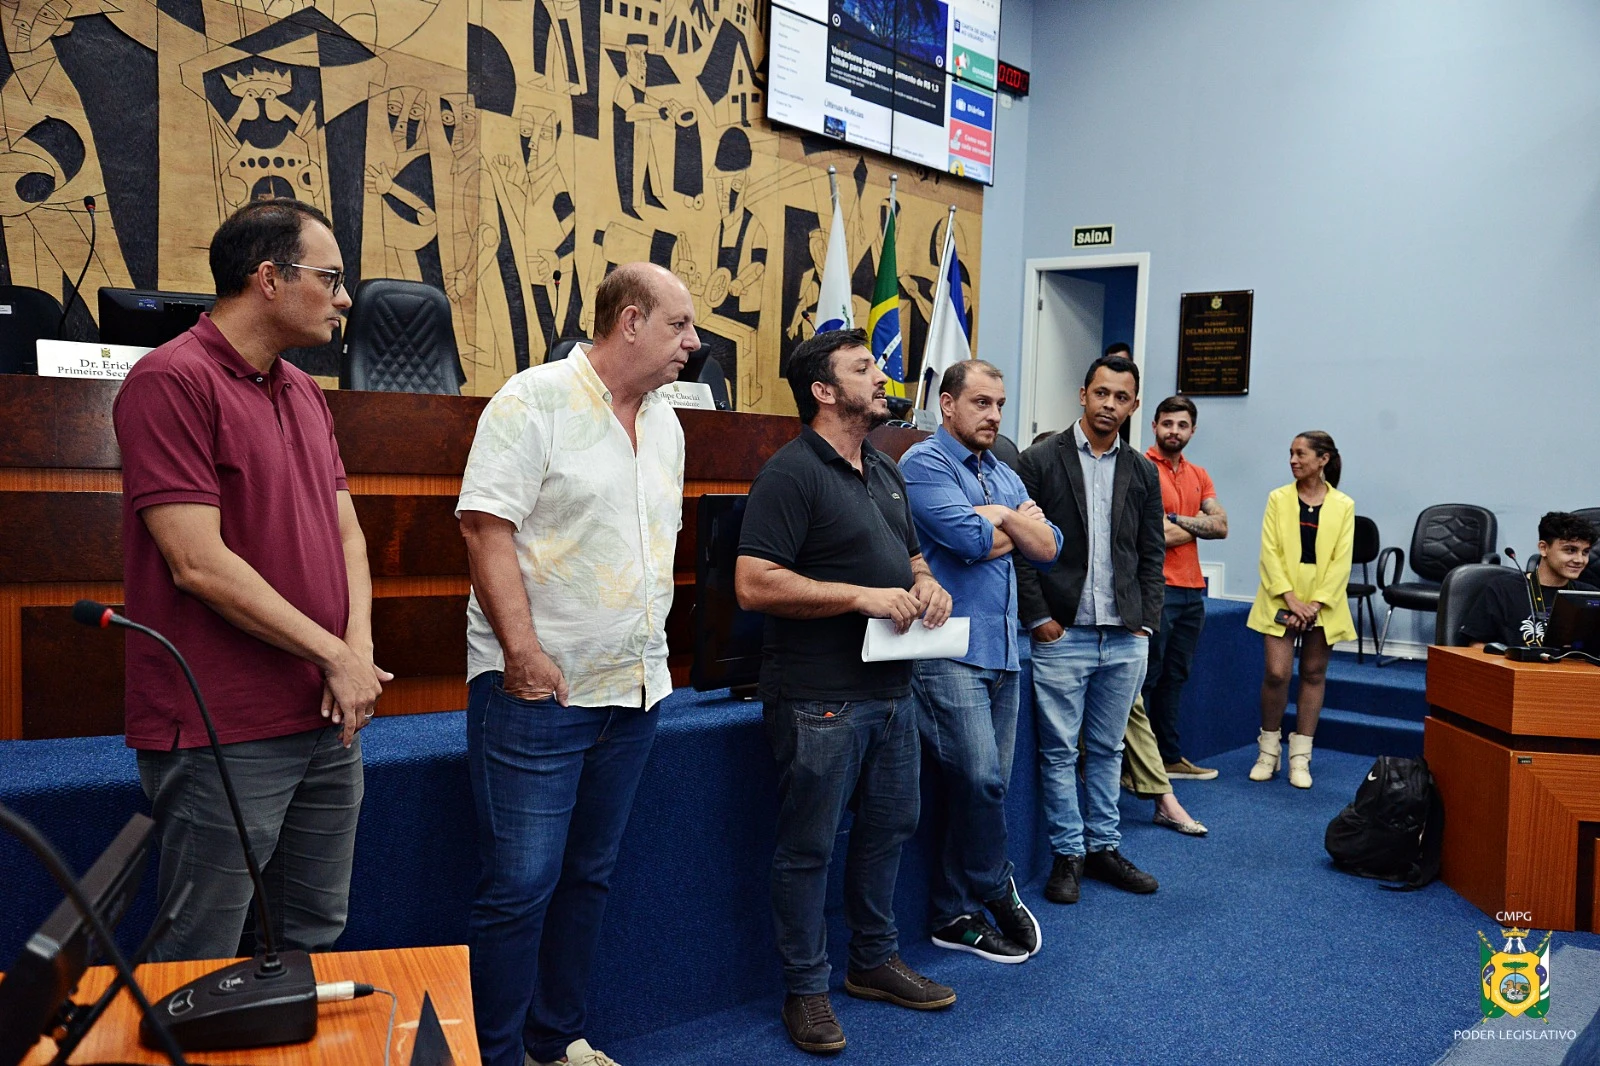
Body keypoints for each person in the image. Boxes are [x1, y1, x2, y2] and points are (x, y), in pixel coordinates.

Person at [112, 199, 386, 961]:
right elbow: (196, 562)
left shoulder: (304, 391)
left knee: (311, 934)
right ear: (269, 278)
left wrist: (356, 653)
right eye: (330, 278)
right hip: (221, 724)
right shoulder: (170, 380)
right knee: (201, 947)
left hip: (325, 713)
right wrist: (335, 654)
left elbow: (347, 534)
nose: (344, 299)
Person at [456, 263, 695, 1066]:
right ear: (629, 322)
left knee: (588, 876)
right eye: (679, 326)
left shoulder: (668, 424)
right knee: (520, 887)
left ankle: (553, 1042)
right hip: (538, 695)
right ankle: (495, 1056)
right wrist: (522, 653)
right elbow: (484, 527)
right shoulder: (533, 400)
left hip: (635, 691)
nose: (693, 343)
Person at [736, 328, 957, 1055]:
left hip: (893, 690)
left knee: (889, 829)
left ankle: (872, 962)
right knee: (808, 849)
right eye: (864, 368)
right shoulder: (790, 473)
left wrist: (926, 584)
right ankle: (806, 989)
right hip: (819, 699)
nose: (881, 376)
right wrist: (861, 597)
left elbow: (913, 557)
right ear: (824, 392)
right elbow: (754, 583)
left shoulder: (885, 468)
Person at [899, 361, 1062, 963]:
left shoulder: (1002, 471)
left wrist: (1000, 518)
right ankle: (996, 884)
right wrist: (1012, 525)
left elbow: (1050, 548)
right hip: (947, 651)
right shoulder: (924, 465)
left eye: (999, 404)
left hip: (1003, 650)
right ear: (947, 404)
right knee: (981, 780)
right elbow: (968, 542)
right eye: (981, 403)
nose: (994, 415)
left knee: (977, 790)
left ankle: (952, 913)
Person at [1016, 353, 1166, 906]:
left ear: (1133, 405)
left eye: (1121, 397)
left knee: (1107, 748)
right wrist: (1039, 619)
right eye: (1101, 393)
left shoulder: (1142, 470)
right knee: (1059, 752)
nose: (1109, 405)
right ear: (1083, 394)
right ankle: (1068, 854)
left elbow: (1151, 554)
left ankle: (1104, 847)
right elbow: (1020, 549)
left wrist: (1145, 625)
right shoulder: (1039, 460)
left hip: (1125, 636)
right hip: (1063, 634)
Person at [1245, 431, 1356, 790]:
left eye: (1301, 454)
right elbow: (1270, 552)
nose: (1293, 460)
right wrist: (1291, 600)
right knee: (1276, 673)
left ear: (1323, 459)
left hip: (1324, 601)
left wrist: (1315, 604)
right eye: (1291, 453)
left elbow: (1341, 561)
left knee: (1313, 673)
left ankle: (1300, 757)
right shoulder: (1277, 498)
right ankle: (1268, 752)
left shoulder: (1344, 505)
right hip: (1280, 597)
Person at [1144, 395, 1228, 780]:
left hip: (1193, 591)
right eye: (1167, 423)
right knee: (1148, 678)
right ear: (1154, 426)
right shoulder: (1142, 468)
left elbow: (1221, 527)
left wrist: (1175, 519)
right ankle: (1137, 764)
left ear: (1192, 430)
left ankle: (1169, 757)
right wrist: (1196, 523)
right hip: (1156, 588)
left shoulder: (1199, 474)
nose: (1174, 431)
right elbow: (1150, 535)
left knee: (1175, 677)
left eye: (1182, 425)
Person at [1459, 512, 1597, 647]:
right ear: (1543, 548)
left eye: (1585, 552)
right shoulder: (1503, 589)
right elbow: (1477, 645)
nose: (1580, 560)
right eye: (1570, 550)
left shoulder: (1591, 595)